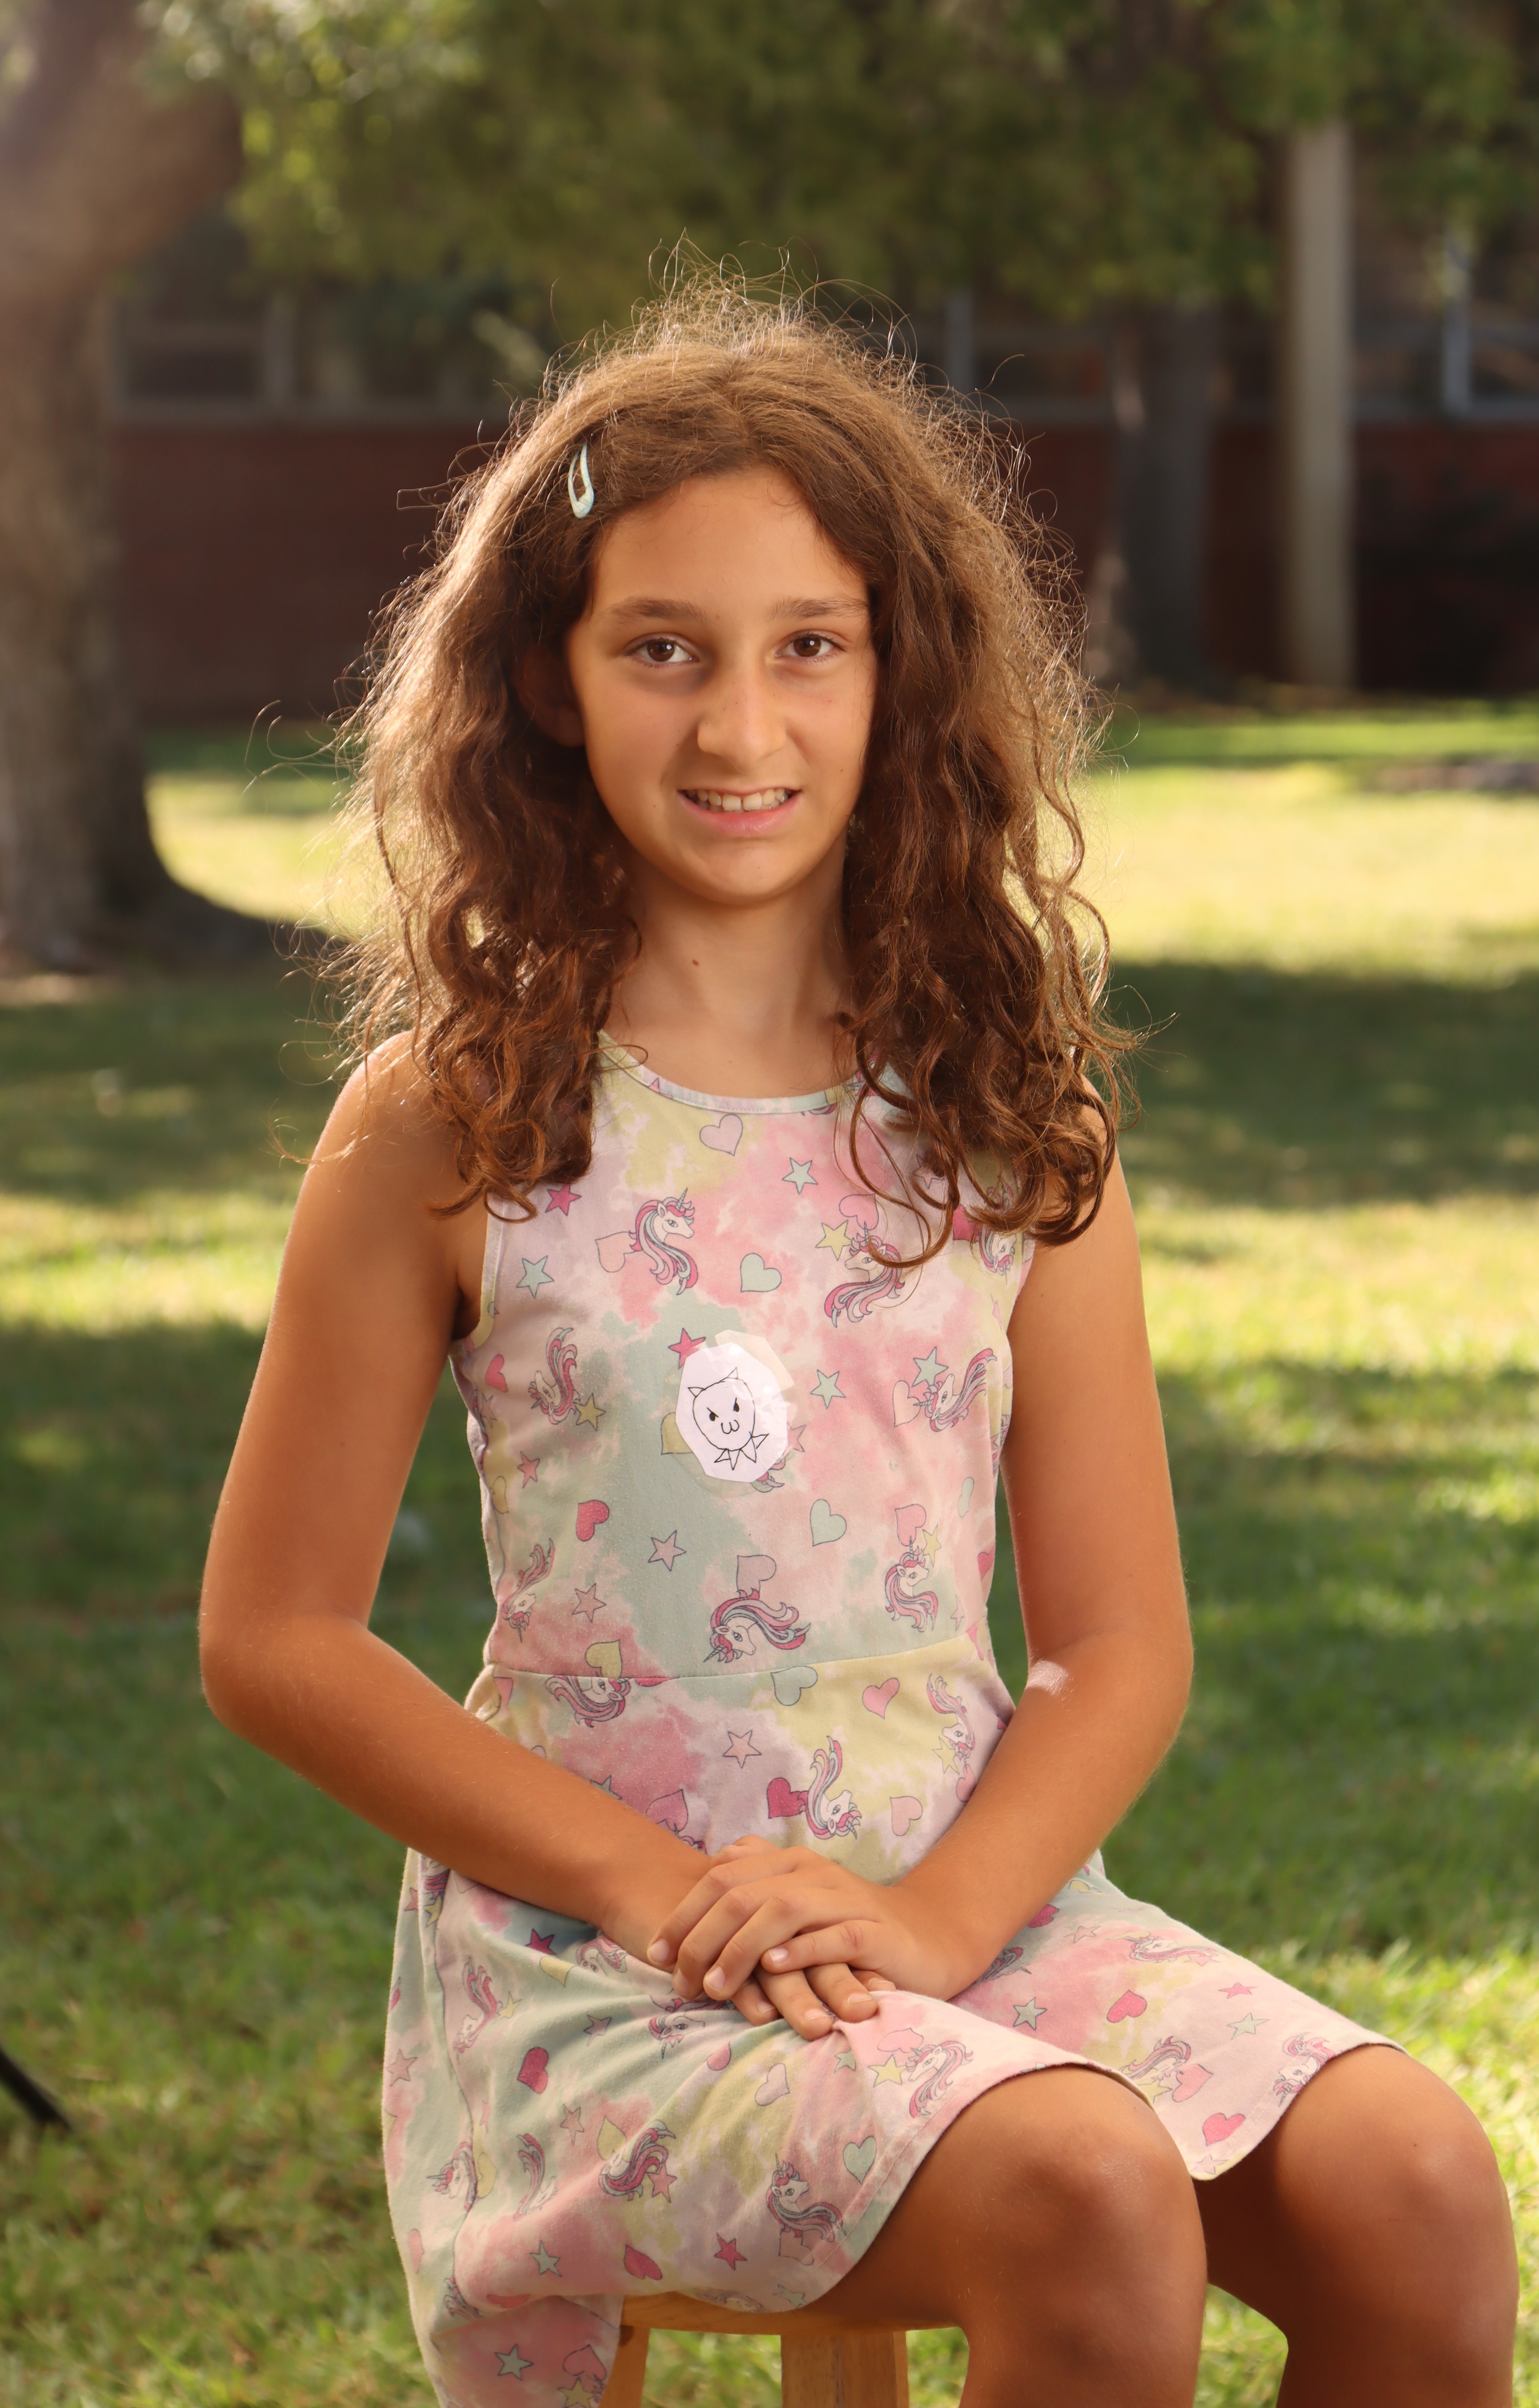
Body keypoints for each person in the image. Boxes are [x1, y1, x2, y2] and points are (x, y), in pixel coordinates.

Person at [199, 285, 1516, 2408]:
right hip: (607, 1965)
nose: (742, 725)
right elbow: (274, 1638)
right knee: (1088, 2188)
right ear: (544, 679)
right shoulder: (453, 1121)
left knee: (1418, 2188)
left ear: (901, 673)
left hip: (971, 1911)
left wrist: (936, 1920)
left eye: (808, 644)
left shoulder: (1006, 1113)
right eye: (664, 649)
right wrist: (651, 1889)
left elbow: (1117, 1646)